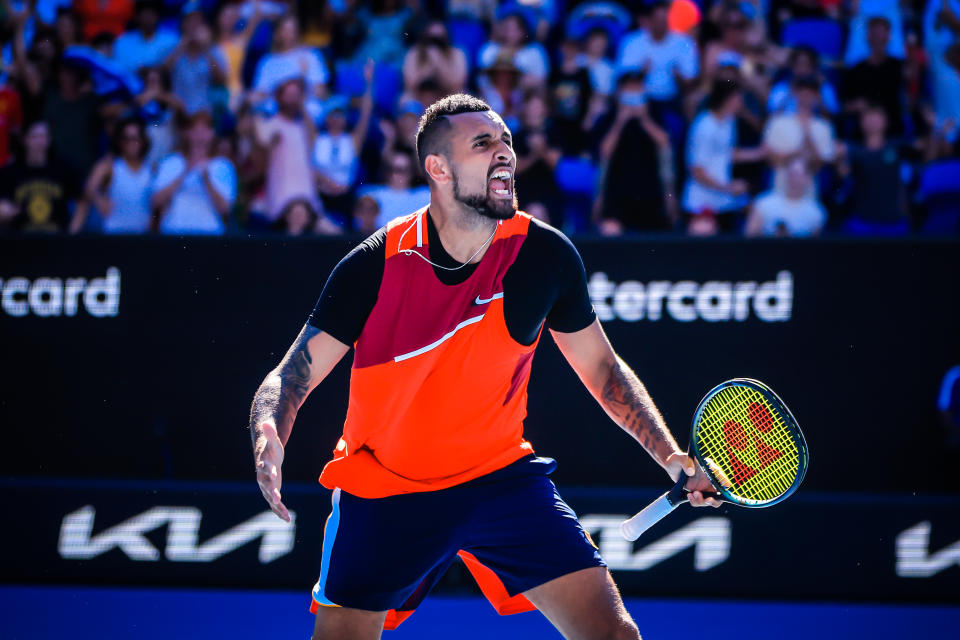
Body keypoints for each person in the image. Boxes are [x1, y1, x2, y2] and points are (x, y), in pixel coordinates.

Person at [248, 93, 722, 639]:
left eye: (506, 142)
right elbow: (290, 377)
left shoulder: (546, 256)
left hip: (498, 478)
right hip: (384, 487)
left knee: (614, 634)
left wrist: (669, 455)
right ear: (438, 168)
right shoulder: (374, 265)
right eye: (483, 144)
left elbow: (604, 370)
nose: (505, 154)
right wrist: (269, 433)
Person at [683, 80, 765, 232]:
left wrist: (758, 153)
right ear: (727, 99)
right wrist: (727, 188)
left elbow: (726, 153)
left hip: (724, 203)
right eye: (738, 98)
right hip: (701, 203)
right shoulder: (704, 126)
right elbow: (697, 170)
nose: (741, 103)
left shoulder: (729, 121)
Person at [151, 111, 237, 234]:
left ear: (212, 134)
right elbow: (156, 202)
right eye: (195, 130)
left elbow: (225, 209)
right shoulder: (171, 162)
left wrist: (207, 180)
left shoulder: (223, 166)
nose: (200, 135)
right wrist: (185, 172)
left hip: (209, 235)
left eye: (204, 130)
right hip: (174, 233)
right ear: (187, 133)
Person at [71, 115, 154, 234]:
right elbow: (88, 189)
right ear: (120, 141)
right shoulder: (110, 165)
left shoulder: (151, 169)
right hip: (114, 235)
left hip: (141, 237)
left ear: (143, 141)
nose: (131, 143)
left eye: (136, 138)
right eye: (126, 138)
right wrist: (98, 199)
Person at [0, 120, 77, 233]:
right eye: (34, 136)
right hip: (19, 242)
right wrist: (5, 211)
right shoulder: (10, 172)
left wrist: (72, 234)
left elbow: (82, 199)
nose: (39, 141)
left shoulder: (63, 169)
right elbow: (3, 205)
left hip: (56, 240)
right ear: (24, 139)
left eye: (43, 136)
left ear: (49, 139)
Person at [744, 159, 827, 236]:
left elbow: (815, 247)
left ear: (808, 178)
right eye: (791, 174)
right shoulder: (764, 202)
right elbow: (749, 235)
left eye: (798, 175)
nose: (794, 179)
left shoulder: (816, 212)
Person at [112, 0, 179, 75]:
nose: (148, 18)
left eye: (152, 13)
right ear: (137, 16)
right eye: (144, 13)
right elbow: (120, 75)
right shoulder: (122, 42)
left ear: (158, 16)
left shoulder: (172, 41)